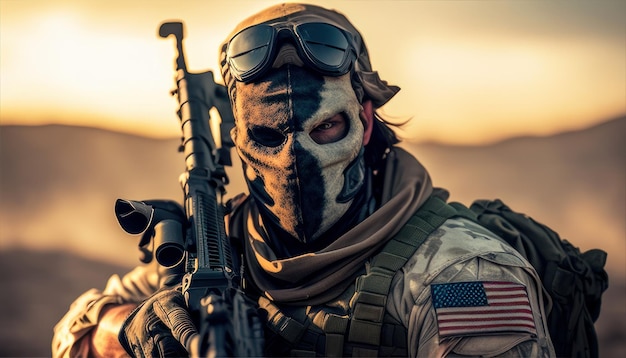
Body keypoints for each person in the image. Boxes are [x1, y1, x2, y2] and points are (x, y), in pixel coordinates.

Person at [52, 3, 556, 357]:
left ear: (366, 121)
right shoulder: (223, 246)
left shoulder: (464, 275)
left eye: (325, 127)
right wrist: (124, 332)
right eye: (269, 134)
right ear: (236, 136)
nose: (296, 157)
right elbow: (71, 333)